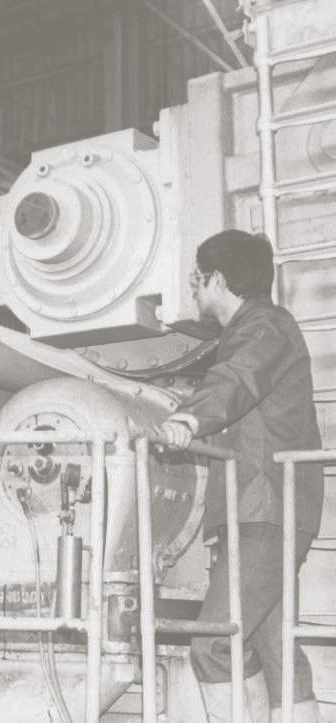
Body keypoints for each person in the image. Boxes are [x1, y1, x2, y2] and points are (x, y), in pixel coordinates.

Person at [159, 230, 323, 722]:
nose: (193, 287)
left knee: (213, 645)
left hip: (263, 507)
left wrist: (188, 419)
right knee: (276, 653)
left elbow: (237, 378)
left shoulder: (265, 326)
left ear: (219, 279)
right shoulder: (251, 331)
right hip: (261, 509)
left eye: (197, 277)